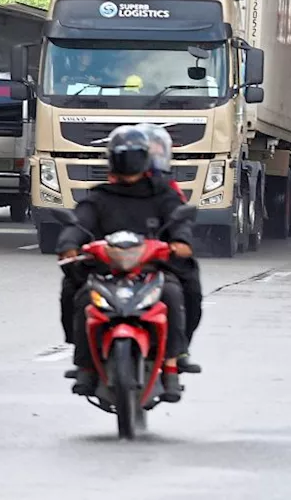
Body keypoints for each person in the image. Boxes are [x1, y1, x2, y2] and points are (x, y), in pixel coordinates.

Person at [57, 126, 194, 401]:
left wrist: (179, 243)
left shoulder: (162, 194)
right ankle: (84, 363)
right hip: (107, 269)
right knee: (81, 294)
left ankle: (171, 365)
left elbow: (177, 221)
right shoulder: (99, 197)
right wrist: (69, 246)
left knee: (175, 291)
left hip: (152, 269)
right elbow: (79, 223)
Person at [137, 122, 203, 375]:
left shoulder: (167, 190)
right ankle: (86, 358)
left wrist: (179, 242)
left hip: (156, 257)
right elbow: (87, 218)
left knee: (184, 292)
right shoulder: (108, 189)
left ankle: (178, 349)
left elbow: (180, 217)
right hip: (115, 256)